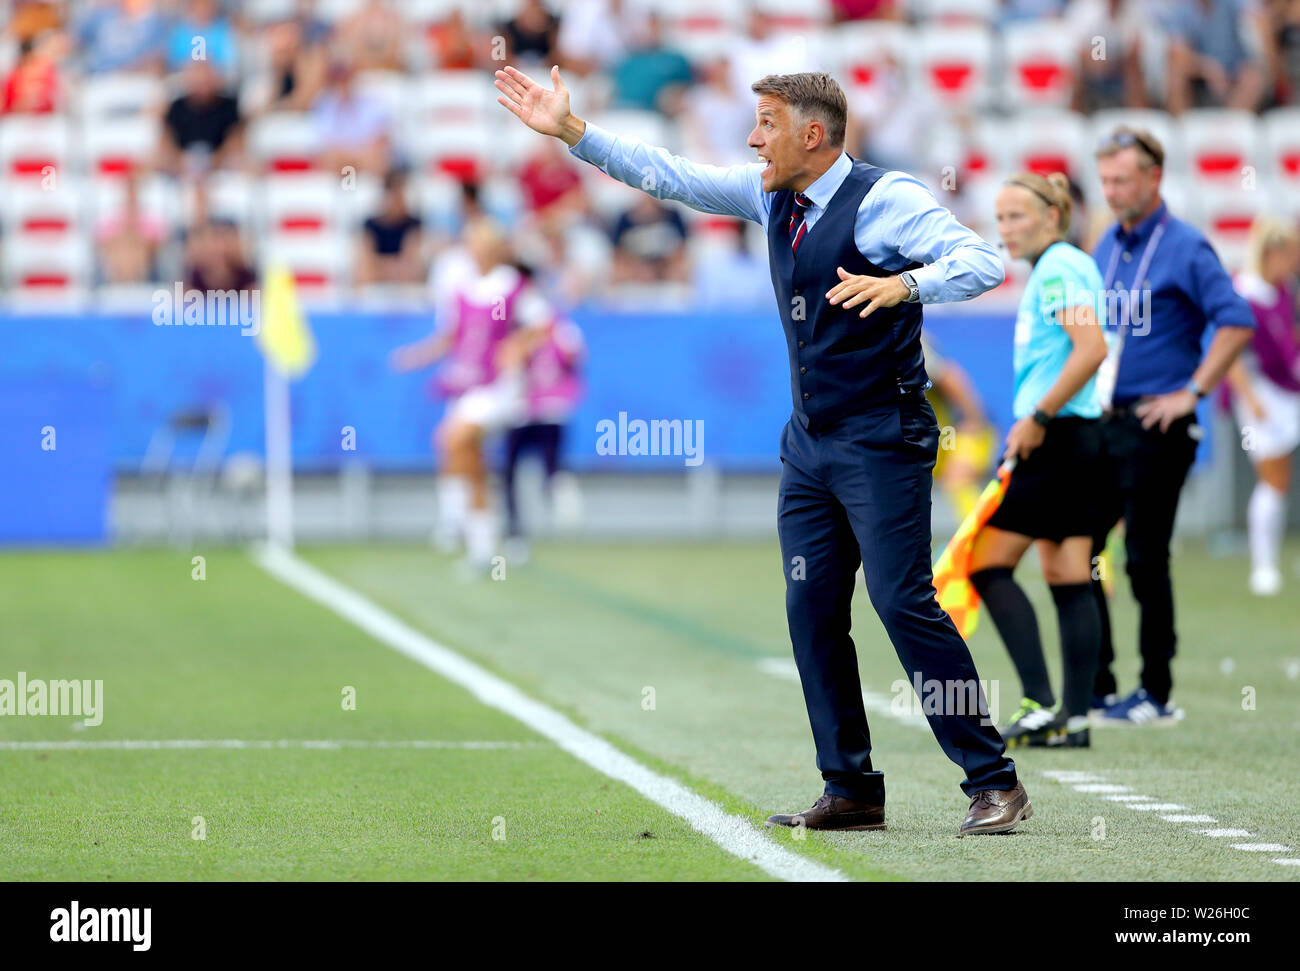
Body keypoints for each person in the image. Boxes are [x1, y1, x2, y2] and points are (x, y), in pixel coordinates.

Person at [495, 64, 1031, 835]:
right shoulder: (769, 193)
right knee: (811, 607)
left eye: (767, 123)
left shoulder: (887, 200)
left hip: (884, 437)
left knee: (900, 600)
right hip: (810, 444)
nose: (752, 138)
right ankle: (851, 787)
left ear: (812, 134)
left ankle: (994, 779)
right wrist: (575, 133)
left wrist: (904, 285)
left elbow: (984, 261)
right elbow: (670, 176)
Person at [1090, 127, 1255, 724]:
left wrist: (1193, 393)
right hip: (1106, 420)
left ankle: (1155, 691)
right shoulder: (1105, 243)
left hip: (1157, 426)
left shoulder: (1186, 246)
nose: (1111, 191)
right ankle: (1098, 684)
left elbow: (1236, 320)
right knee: (1079, 543)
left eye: (1122, 180)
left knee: (1142, 553)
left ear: (1154, 177)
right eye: (1105, 180)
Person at [969, 171, 1110, 749]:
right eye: (1000, 219)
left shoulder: (1057, 268)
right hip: (1078, 439)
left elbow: (1092, 349)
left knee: (985, 562)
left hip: (1057, 440)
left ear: (1054, 216)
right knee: (1067, 573)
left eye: (1017, 217)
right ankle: (1073, 720)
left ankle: (1037, 703)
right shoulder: (1064, 266)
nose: (1006, 230)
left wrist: (1039, 418)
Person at [390, 218, 554, 572]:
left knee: (452, 437)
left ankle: (451, 519)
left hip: (499, 387)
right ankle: (482, 547)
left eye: (481, 242)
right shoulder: (463, 291)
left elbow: (542, 325)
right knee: (469, 461)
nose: (476, 249)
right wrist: (417, 356)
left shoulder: (513, 286)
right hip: (466, 386)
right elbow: (452, 336)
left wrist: (515, 344)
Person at [1222, 217, 1300, 595]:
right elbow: (1231, 354)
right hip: (1260, 396)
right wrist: (1251, 399)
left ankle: (1269, 562)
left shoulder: (1280, 289)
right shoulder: (1246, 293)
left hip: (1285, 392)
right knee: (1271, 478)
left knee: (1279, 481)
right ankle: (1262, 565)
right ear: (1272, 253)